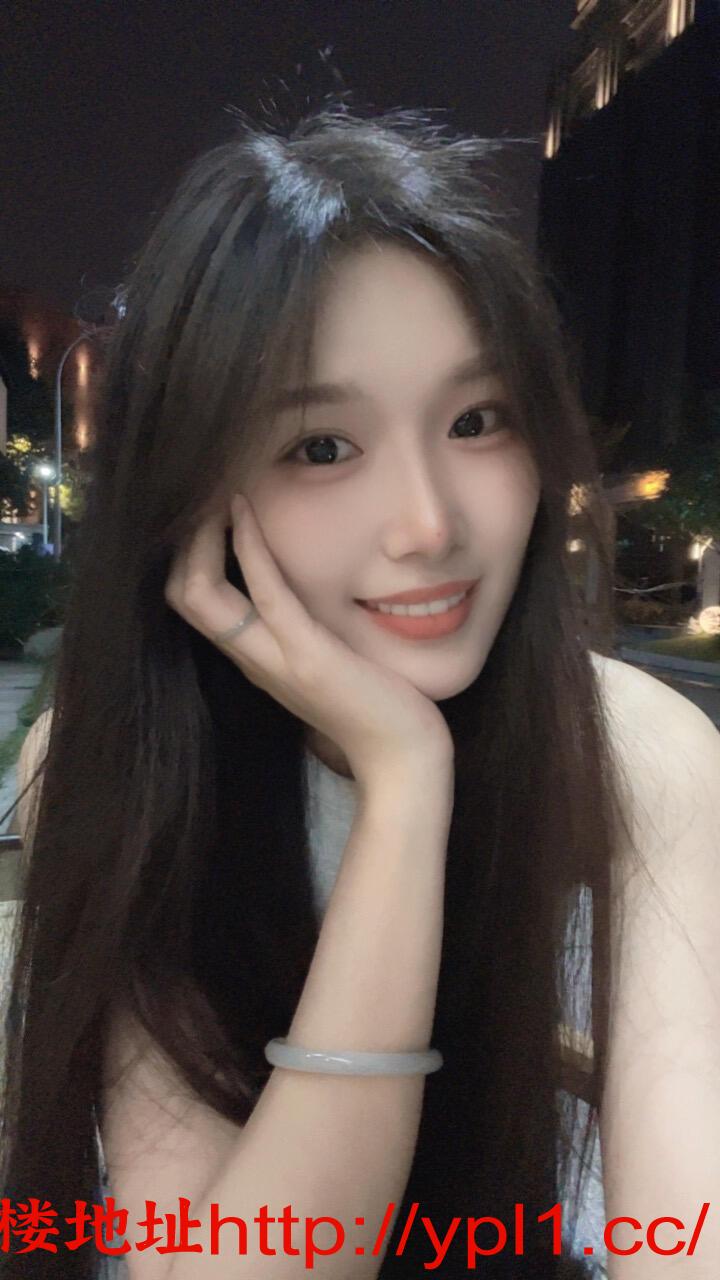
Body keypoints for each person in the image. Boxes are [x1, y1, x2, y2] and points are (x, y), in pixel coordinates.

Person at [2, 100, 719, 1280]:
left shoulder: (638, 755)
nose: (429, 524)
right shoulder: (125, 765)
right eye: (322, 446)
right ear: (195, 489)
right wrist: (404, 783)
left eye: (478, 420)